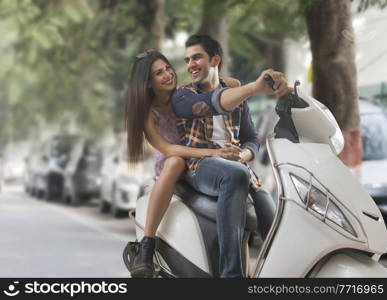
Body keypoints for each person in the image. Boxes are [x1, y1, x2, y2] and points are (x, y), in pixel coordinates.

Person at [171, 34, 291, 277]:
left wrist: (244, 154)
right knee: (234, 174)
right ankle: (231, 277)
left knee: (272, 208)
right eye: (187, 60)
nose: (190, 64)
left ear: (215, 59)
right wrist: (254, 87)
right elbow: (210, 103)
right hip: (200, 166)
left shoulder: (237, 95)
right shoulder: (182, 95)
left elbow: (252, 140)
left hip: (239, 168)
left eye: (197, 57)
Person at [124, 50, 241, 277]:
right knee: (175, 161)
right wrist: (212, 153)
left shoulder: (185, 94)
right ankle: (147, 246)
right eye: (159, 73)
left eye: (168, 68)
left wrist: (217, 81)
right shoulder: (149, 113)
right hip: (174, 162)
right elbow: (168, 149)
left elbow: (233, 83)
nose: (168, 74)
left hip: (200, 163)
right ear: (148, 83)